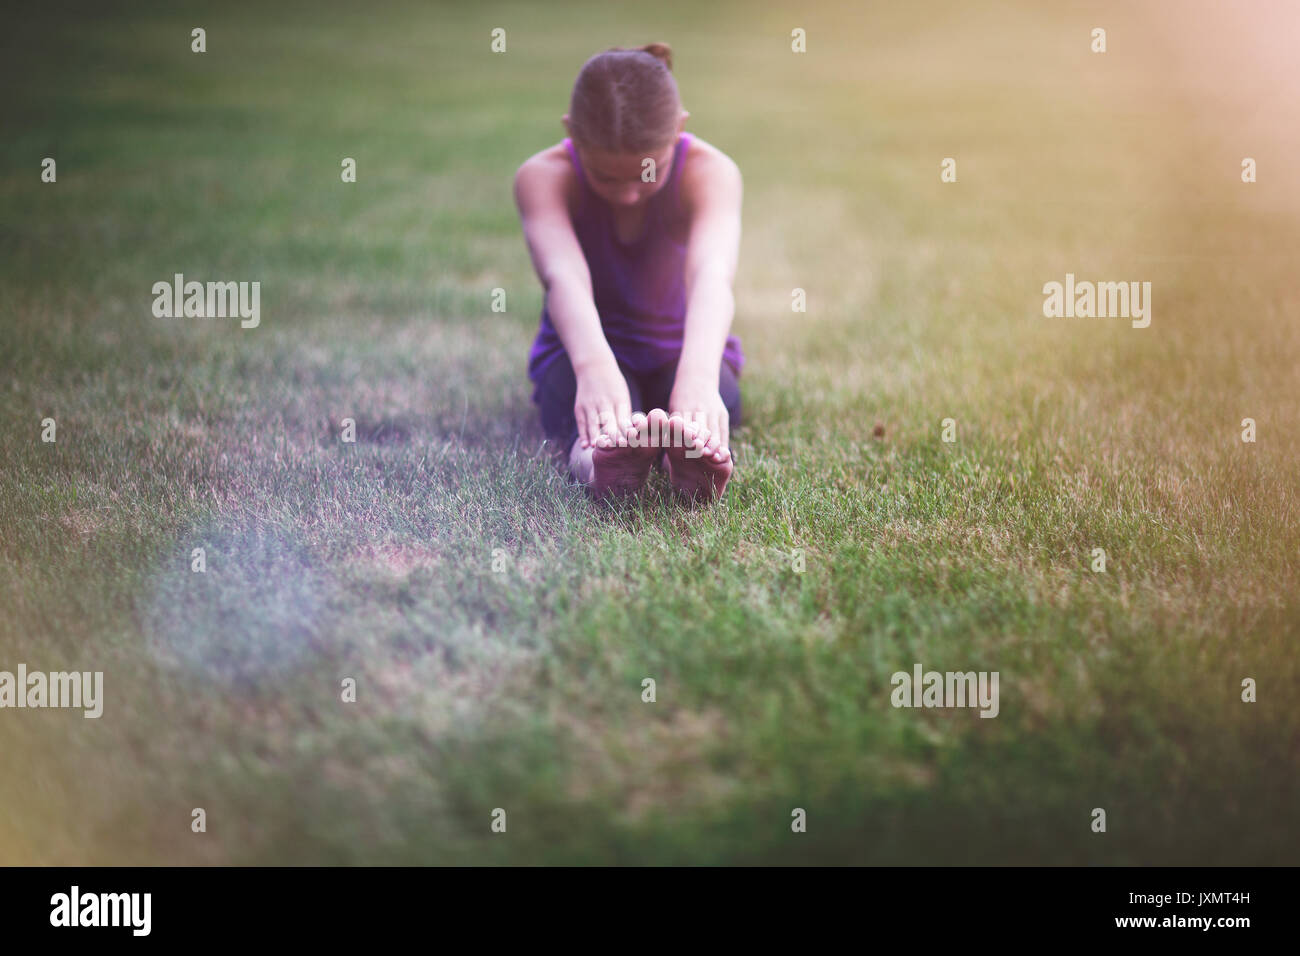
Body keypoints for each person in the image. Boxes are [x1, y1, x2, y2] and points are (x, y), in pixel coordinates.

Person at [513, 42, 745, 502]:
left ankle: (682, 457)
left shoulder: (711, 172)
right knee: (594, 421)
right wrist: (594, 368)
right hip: (584, 351)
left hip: (684, 351)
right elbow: (564, 277)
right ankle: (599, 468)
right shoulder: (543, 176)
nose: (626, 196)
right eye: (605, 177)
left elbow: (710, 277)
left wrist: (697, 377)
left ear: (679, 127)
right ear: (571, 133)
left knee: (705, 401)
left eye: (647, 174)